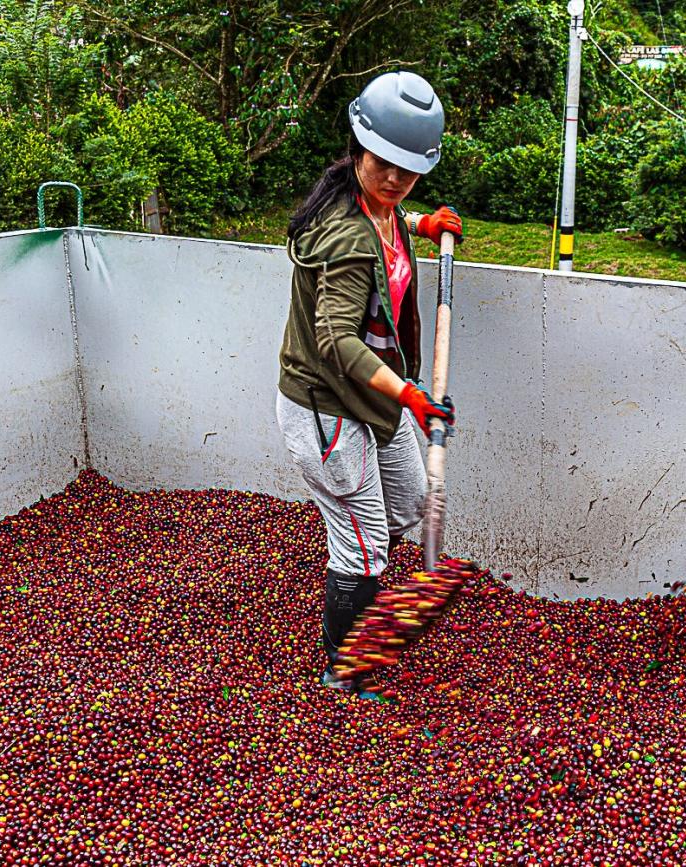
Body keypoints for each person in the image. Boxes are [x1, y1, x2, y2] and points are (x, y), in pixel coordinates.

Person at [275, 71, 463, 697]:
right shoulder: (347, 237)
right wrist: (411, 396)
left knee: (409, 506)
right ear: (360, 146)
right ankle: (343, 672)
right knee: (366, 550)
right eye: (384, 165)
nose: (394, 181)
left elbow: (386, 226)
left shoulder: (380, 209)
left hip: (372, 399)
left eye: (408, 173)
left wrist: (420, 227)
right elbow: (336, 339)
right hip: (328, 406)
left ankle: (363, 577)